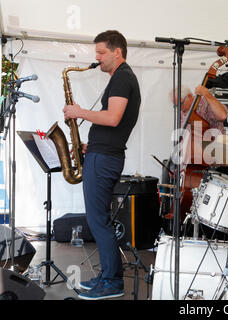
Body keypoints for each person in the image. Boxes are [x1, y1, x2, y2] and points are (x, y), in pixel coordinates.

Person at [63, 30, 141, 300]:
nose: (96, 58)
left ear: (116, 51)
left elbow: (113, 117)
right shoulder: (120, 78)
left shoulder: (122, 77)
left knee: (98, 221)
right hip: (102, 154)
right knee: (100, 221)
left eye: (101, 52)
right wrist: (90, 146)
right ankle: (108, 275)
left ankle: (112, 282)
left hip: (105, 159)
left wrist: (78, 111)